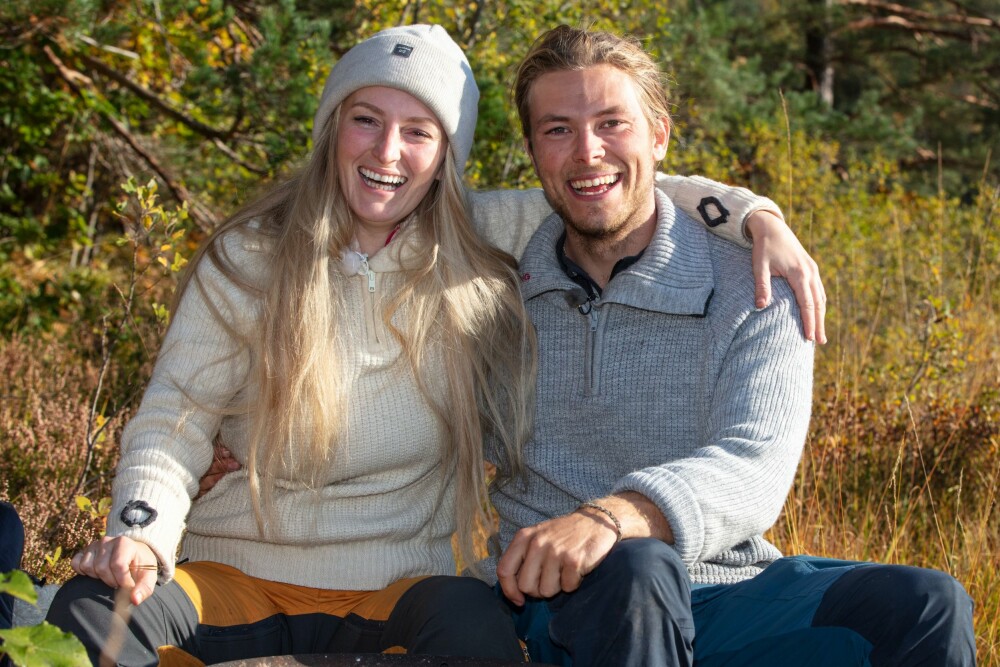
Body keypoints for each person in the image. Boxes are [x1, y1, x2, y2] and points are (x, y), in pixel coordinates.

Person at [43, 24, 818, 667]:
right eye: (366, 119)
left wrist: (755, 216)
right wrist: (141, 534)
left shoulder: (481, 239)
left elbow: (617, 183)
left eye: (419, 132)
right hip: (232, 569)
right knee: (91, 623)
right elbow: (176, 416)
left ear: (445, 157)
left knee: (479, 638)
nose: (388, 152)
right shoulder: (248, 259)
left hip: (403, 583)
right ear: (331, 127)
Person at [489, 25, 976, 667]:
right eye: (557, 130)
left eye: (613, 123)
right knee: (637, 572)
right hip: (560, 600)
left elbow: (755, 464)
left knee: (925, 600)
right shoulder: (492, 288)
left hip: (730, 588)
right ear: (531, 149)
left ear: (659, 135)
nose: (587, 152)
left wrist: (614, 516)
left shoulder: (753, 277)